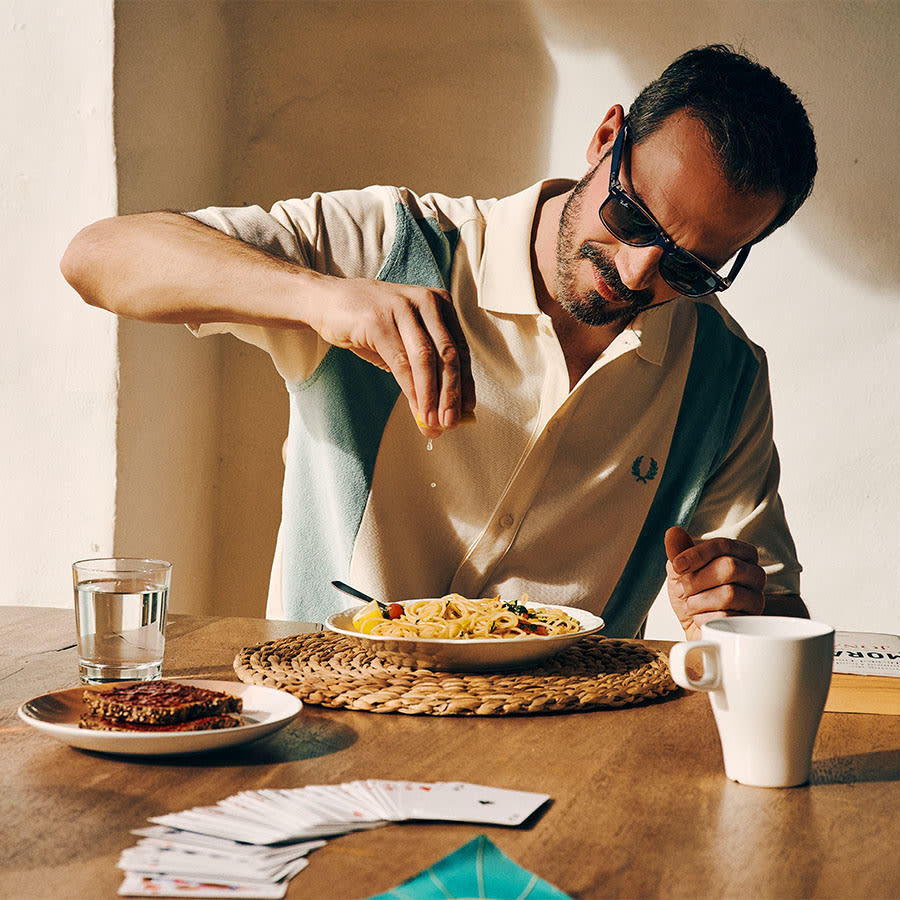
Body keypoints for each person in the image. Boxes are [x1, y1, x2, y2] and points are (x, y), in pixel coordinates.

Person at [61, 44, 816, 638]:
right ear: (605, 139)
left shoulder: (726, 375)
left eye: (690, 266)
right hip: (328, 732)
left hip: (567, 761)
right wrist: (317, 298)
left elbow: (777, 620)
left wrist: (739, 612)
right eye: (630, 217)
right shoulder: (390, 246)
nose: (635, 270)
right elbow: (97, 258)